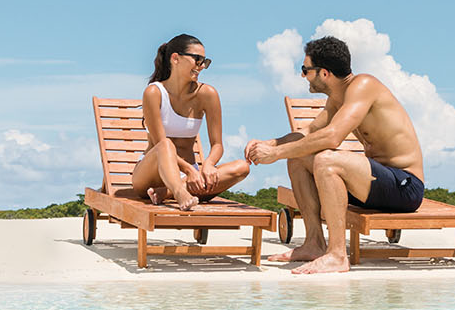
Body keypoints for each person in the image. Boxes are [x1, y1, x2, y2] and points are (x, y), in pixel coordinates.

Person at [244, 35, 424, 274]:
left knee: (326, 160)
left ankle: (338, 255)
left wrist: (275, 153)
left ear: (324, 73)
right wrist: (267, 144)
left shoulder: (363, 85)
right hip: (372, 184)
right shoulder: (337, 99)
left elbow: (332, 138)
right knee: (298, 157)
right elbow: (308, 133)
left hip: (404, 186)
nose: (302, 75)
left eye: (305, 70)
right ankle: (314, 244)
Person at [133, 33, 251, 210]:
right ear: (175, 58)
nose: (202, 66)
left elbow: (217, 144)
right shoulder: (154, 93)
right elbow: (159, 143)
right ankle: (180, 192)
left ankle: (166, 192)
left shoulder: (207, 94)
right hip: (151, 174)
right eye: (197, 59)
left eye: (205, 61)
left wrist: (209, 164)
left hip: (190, 175)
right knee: (166, 145)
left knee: (242, 167)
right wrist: (189, 171)